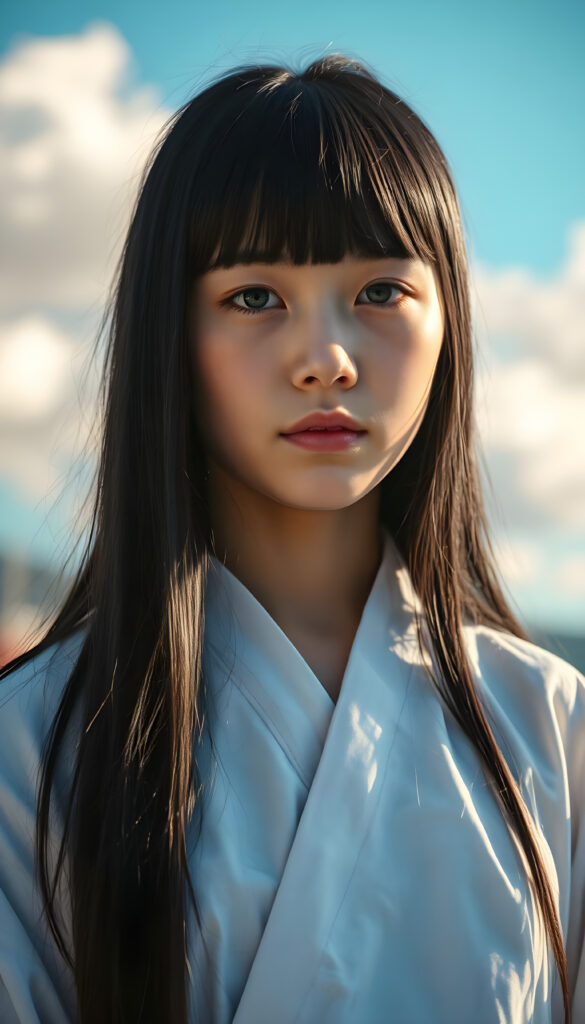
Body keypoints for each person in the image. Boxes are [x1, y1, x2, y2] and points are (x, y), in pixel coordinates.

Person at [0, 52, 583, 1024]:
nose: (326, 360)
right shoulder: (29, 748)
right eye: (254, 297)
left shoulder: (555, 733)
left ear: (450, 322)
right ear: (169, 331)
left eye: (381, 292)